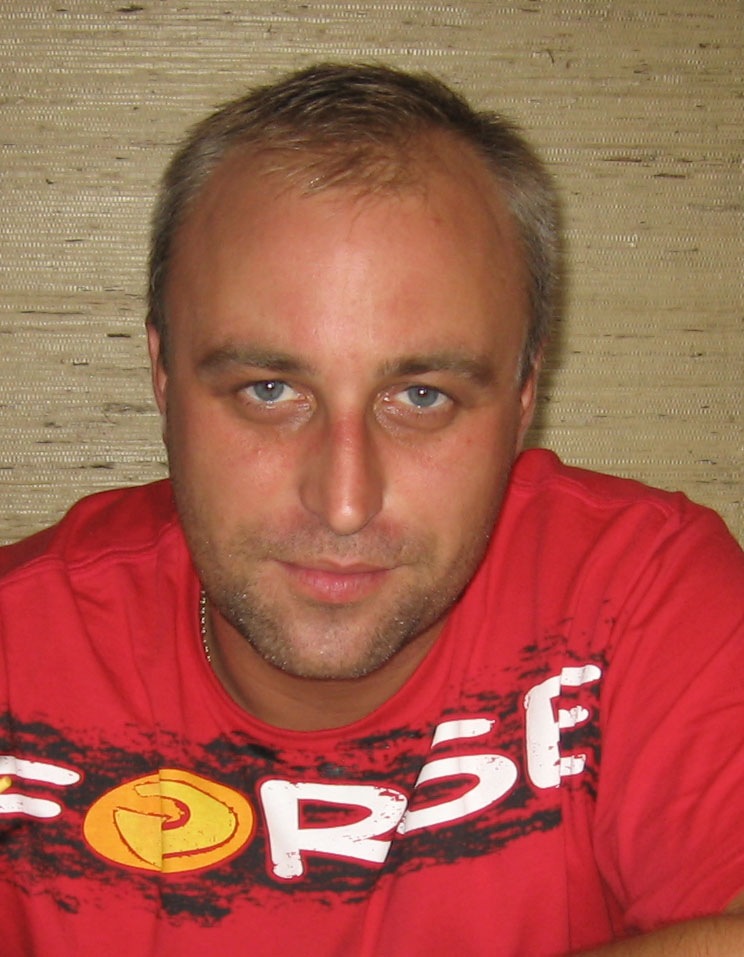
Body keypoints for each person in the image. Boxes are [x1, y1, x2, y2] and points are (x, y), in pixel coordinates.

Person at [0, 62, 742, 957]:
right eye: (270, 389)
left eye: (422, 397)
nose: (345, 502)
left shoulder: (635, 597)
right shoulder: (18, 659)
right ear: (163, 372)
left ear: (523, 394)